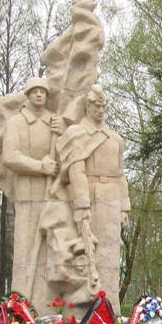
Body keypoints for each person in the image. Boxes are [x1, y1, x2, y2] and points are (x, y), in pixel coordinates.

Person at [54, 85, 132, 312]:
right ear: (87, 106)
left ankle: (111, 308)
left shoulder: (115, 138)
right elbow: (75, 171)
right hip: (90, 195)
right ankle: (84, 310)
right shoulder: (77, 133)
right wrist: (82, 205)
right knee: (88, 256)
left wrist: (125, 208)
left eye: (103, 106)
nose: (100, 110)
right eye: (95, 105)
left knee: (110, 257)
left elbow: (120, 174)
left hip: (112, 198)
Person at [1, 77, 63, 305]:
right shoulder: (17, 122)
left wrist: (63, 132)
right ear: (27, 94)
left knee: (49, 251)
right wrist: (40, 167)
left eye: (43, 91)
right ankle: (21, 302)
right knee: (25, 247)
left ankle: (46, 304)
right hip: (27, 193)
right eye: (35, 91)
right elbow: (10, 156)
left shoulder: (54, 123)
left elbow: (69, 157)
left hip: (52, 195)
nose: (39, 95)